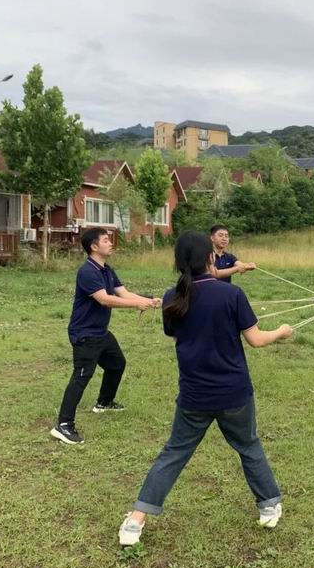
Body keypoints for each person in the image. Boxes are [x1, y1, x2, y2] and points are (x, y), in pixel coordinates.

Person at [119, 231, 293, 546]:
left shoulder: (173, 296)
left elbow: (178, 335)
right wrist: (281, 331)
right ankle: (268, 506)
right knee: (248, 446)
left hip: (194, 394)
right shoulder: (231, 294)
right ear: (210, 257)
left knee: (174, 453)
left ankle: (136, 520)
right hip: (233, 393)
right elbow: (256, 340)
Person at [50, 228, 159, 445]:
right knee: (81, 376)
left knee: (116, 364)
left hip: (100, 332)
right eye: (106, 240)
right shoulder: (87, 272)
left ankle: (104, 402)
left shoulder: (106, 270)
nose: (111, 243)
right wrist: (136, 304)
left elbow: (124, 293)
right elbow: (105, 299)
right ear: (94, 246)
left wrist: (148, 300)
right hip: (85, 334)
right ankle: (63, 424)